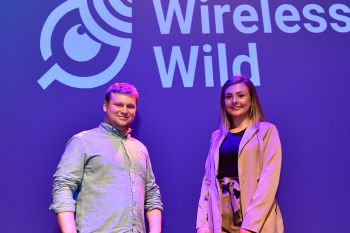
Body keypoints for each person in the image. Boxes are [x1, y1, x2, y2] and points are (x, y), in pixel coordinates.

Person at [50, 83, 163, 233]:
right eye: (118, 105)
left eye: (130, 106)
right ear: (105, 106)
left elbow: (152, 194)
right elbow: (63, 186)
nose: (124, 111)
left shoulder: (140, 148)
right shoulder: (83, 141)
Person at [196, 76, 284, 233]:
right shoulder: (216, 137)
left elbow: (268, 181)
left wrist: (250, 226)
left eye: (240, 95)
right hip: (221, 218)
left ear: (251, 100)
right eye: (228, 96)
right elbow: (208, 181)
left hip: (257, 220)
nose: (234, 101)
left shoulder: (267, 131)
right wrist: (202, 223)